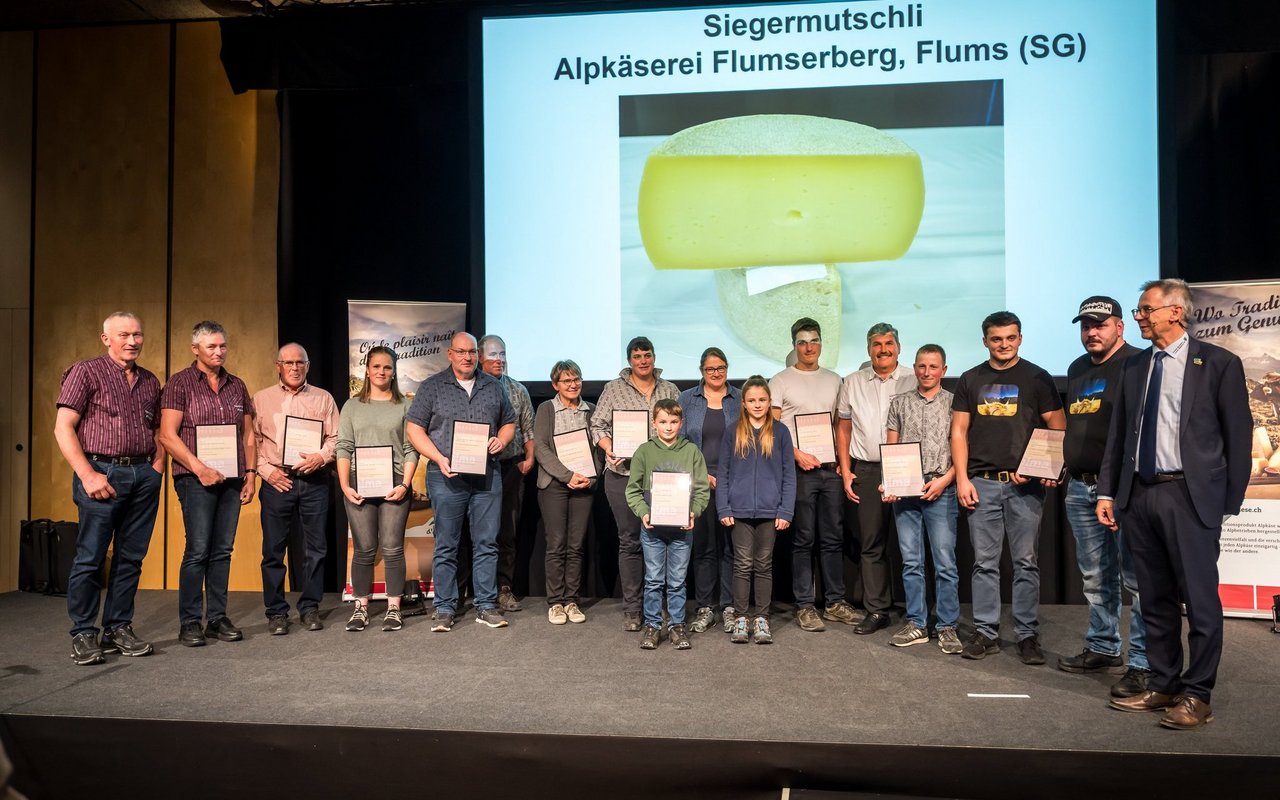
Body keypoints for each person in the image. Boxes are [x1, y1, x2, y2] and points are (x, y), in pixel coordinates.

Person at [1100, 279, 1251, 729]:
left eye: (1146, 309)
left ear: (1175, 312)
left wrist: (1227, 501)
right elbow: (1119, 435)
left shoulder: (1218, 363)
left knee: (1200, 602)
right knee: (1154, 600)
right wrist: (1108, 491)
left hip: (1190, 497)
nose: (1139, 317)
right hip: (1140, 494)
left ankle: (1197, 695)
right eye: (1139, 310)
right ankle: (1164, 684)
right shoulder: (1134, 366)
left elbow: (1238, 436)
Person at [950, 311, 1065, 664]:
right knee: (984, 563)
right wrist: (962, 479)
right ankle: (986, 633)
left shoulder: (1037, 377)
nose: (1004, 344)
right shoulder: (970, 378)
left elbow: (1058, 425)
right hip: (981, 484)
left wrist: (1043, 467)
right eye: (997, 339)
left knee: (1026, 562)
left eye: (1010, 338)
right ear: (985, 341)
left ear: (1020, 338)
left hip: (1025, 487)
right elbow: (958, 432)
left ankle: (1027, 635)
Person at [54, 312, 165, 665]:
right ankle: (84, 633)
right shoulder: (85, 372)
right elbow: (63, 427)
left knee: (131, 558)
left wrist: (156, 469)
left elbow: (157, 430)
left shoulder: (149, 381)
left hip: (142, 475)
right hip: (101, 472)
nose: (132, 341)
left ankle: (118, 628)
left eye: (137, 334)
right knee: (91, 557)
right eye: (123, 335)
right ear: (106, 339)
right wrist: (87, 474)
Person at [1059, 297, 1150, 697]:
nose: (1092, 332)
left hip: (1124, 489)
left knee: (1137, 578)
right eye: (1086, 326)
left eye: (1100, 325)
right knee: (1096, 575)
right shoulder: (1078, 368)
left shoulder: (1139, 364)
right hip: (1081, 487)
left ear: (1120, 327)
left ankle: (1143, 663)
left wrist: (1114, 489)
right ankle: (1103, 646)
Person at [406, 332, 515, 631]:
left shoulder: (493, 386)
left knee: (486, 543)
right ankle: (444, 607)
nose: (467, 357)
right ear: (450, 354)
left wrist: (502, 440)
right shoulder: (432, 387)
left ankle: (486, 605)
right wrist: (438, 458)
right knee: (447, 544)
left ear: (477, 355)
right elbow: (414, 429)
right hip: (445, 476)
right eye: (461, 352)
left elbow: (509, 422)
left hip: (486, 476)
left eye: (472, 352)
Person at [159, 321, 257, 647]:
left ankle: (216, 618)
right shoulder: (179, 384)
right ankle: (190, 622)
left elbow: (248, 434)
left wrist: (251, 474)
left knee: (223, 550)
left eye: (222, 346)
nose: (218, 352)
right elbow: (167, 436)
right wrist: (200, 469)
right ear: (195, 349)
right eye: (211, 346)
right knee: (198, 549)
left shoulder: (237, 385)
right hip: (194, 479)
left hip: (232, 479)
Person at [769, 318, 860, 632]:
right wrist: (796, 454)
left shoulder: (835, 380)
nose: (809, 347)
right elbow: (772, 428)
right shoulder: (780, 380)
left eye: (814, 341)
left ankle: (835, 602)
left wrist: (843, 462)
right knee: (803, 539)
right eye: (802, 342)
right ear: (794, 346)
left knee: (833, 538)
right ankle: (805, 605)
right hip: (798, 471)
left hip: (830, 471)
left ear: (821, 343)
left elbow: (840, 426)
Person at [589, 336, 681, 631]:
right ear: (629, 360)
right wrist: (609, 447)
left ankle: (660, 606)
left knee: (663, 542)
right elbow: (597, 425)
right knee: (630, 542)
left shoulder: (670, 389)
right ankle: (632, 608)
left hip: (662, 478)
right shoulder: (613, 389)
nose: (643, 360)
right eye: (637, 356)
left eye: (647, 355)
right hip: (623, 476)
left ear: (654, 357)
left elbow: (680, 428)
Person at [252, 343, 339, 635]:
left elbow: (336, 438)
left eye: (300, 362)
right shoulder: (261, 398)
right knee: (273, 550)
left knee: (316, 549)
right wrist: (267, 472)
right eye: (288, 362)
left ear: (308, 365)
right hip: (277, 481)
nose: (294, 367)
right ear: (278, 366)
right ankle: (277, 612)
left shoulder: (323, 398)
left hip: (315, 480)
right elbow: (251, 442)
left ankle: (310, 607)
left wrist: (321, 457)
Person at [836, 322, 916, 635]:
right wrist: (845, 470)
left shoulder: (913, 377)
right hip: (867, 470)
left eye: (888, 343)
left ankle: (918, 613)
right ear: (868, 349)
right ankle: (877, 610)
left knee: (913, 545)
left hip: (908, 468)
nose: (883, 350)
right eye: (877, 344)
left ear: (898, 347)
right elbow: (843, 428)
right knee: (871, 544)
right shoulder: (853, 381)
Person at [882, 345, 962, 653]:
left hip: (942, 488)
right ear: (914, 368)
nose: (927, 372)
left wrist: (945, 480)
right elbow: (892, 448)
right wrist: (890, 482)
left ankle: (947, 626)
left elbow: (963, 449)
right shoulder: (900, 403)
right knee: (911, 562)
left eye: (933, 367)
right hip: (906, 492)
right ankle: (917, 622)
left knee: (945, 563)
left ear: (944, 370)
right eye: (921, 366)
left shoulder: (955, 403)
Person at [337, 346, 419, 632]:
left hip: (395, 482)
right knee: (364, 549)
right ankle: (361, 608)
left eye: (387, 367)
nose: (381, 372)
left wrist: (405, 484)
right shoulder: (352, 406)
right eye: (376, 366)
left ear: (394, 371)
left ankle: (394, 608)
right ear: (367, 370)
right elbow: (344, 446)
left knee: (393, 547)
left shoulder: (405, 405)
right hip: (359, 481)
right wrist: (344, 485)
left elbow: (410, 449)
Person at [625, 399, 710, 650]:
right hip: (652, 530)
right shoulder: (644, 451)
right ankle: (652, 625)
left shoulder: (691, 451)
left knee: (677, 581)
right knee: (653, 579)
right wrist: (643, 513)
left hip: (682, 531)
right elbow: (632, 490)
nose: (668, 427)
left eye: (673, 422)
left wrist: (693, 512)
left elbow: (702, 490)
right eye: (663, 422)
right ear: (654, 423)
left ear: (681, 423)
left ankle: (676, 626)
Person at [717, 376, 796, 645]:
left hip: (770, 512)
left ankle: (762, 617)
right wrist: (723, 507)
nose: (758, 404)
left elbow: (789, 475)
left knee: (763, 565)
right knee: (742, 564)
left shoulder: (781, 432)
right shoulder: (733, 432)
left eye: (762, 399)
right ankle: (741, 617)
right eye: (752, 400)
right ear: (743, 403)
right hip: (738, 511)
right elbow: (723, 473)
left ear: (770, 401)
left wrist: (785, 511)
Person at [678, 347, 740, 633]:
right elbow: (679, 443)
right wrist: (701, 475)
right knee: (703, 548)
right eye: (710, 369)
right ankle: (705, 607)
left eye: (721, 368)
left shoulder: (739, 398)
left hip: (733, 484)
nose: (716, 373)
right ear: (701, 371)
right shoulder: (687, 399)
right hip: (698, 485)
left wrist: (726, 477)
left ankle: (728, 606)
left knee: (731, 548)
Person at [533, 360, 597, 625]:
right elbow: (541, 448)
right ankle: (556, 602)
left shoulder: (591, 410)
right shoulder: (546, 409)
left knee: (576, 545)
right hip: (554, 485)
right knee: (556, 544)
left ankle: (572, 600)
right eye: (567, 380)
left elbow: (598, 447)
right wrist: (567, 475)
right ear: (555, 385)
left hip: (584, 484)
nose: (573, 384)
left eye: (576, 379)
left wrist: (591, 477)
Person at [479, 334, 535, 613]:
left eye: (502, 354)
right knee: (480, 532)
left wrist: (529, 459)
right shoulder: (472, 387)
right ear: (479, 357)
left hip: (511, 467)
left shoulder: (518, 390)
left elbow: (528, 429)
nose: (499, 359)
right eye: (493, 354)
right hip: (477, 469)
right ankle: (477, 591)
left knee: (507, 531)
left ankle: (503, 588)